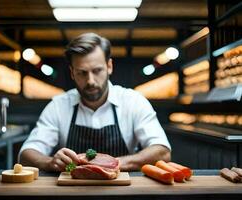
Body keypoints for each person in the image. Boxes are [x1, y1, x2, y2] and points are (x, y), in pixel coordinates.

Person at [19, 32, 171, 172]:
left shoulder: (133, 101)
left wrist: (110, 164)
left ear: (109, 66)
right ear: (72, 73)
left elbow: (162, 151)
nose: (90, 81)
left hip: (122, 190)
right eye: (82, 73)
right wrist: (49, 162)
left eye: (97, 71)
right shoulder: (58, 105)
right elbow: (26, 154)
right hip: (72, 191)